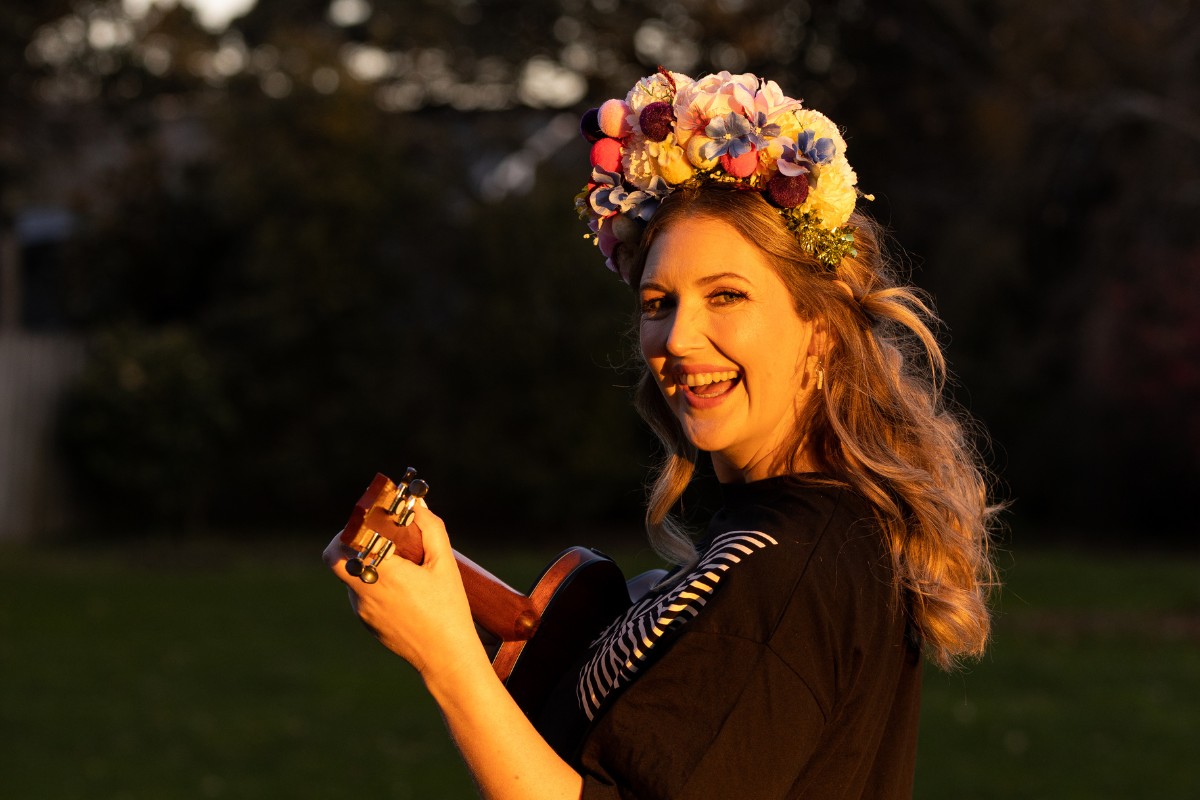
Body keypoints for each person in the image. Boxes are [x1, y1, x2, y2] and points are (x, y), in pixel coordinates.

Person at [324, 69, 999, 799]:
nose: (677, 338)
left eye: (726, 296)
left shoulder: (786, 573)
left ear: (821, 329)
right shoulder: (781, 539)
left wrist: (448, 662)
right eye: (658, 302)